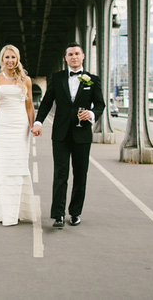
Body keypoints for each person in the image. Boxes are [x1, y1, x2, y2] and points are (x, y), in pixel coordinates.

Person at [31, 42, 105, 228]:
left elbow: (100, 104)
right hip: (60, 134)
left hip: (82, 134)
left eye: (77, 53)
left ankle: (75, 213)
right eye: (70, 54)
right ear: (65, 58)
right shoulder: (57, 78)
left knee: (80, 175)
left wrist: (92, 114)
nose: (73, 57)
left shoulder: (92, 80)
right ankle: (58, 215)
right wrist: (38, 122)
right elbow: (47, 102)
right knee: (60, 174)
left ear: (83, 56)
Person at [0, 44, 36, 226]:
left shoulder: (26, 80)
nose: (10, 61)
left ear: (17, 59)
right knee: (2, 166)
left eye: (13, 57)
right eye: (7, 57)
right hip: (1, 126)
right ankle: (3, 212)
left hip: (19, 126)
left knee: (17, 166)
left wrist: (33, 126)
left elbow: (29, 105)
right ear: (2, 59)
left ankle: (17, 211)